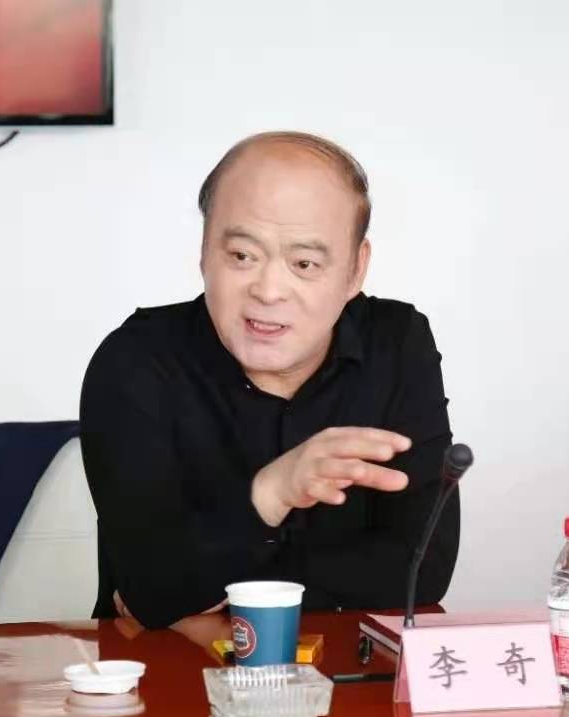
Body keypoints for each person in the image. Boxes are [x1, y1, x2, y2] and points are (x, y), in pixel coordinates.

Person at [80, 131, 458, 629]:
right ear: (204, 251)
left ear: (355, 270)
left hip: (348, 663)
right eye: (242, 256)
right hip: (165, 666)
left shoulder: (397, 344)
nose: (269, 290)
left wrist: (215, 582)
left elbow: (421, 571)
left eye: (304, 264)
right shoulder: (136, 360)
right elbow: (153, 589)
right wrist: (272, 492)